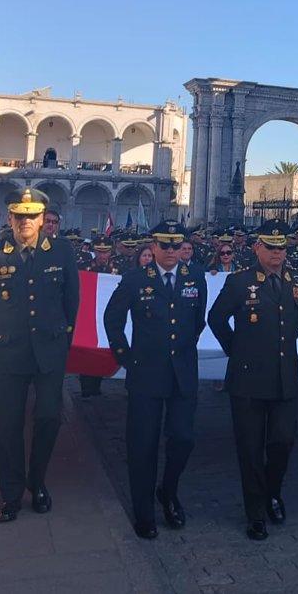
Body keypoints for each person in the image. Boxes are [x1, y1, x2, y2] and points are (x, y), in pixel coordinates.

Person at [0, 188, 80, 522]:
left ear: (42, 220)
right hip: (9, 350)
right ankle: (10, 493)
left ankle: (37, 482)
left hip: (49, 349)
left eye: (32, 216)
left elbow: (71, 302)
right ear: (10, 218)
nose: (25, 221)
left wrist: (63, 339)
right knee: (8, 424)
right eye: (19, 216)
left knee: (49, 417)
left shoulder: (61, 251)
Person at [207, 220, 298, 541]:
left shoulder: (297, 279)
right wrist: (237, 350)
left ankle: (273, 492)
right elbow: (216, 318)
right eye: (271, 247)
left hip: (284, 378)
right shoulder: (240, 282)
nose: (277, 253)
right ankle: (255, 512)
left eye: (282, 248)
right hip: (249, 379)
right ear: (257, 248)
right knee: (250, 449)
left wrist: (280, 345)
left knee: (283, 441)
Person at [104, 221, 207, 539]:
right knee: (143, 446)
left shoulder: (195, 277)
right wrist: (126, 356)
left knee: (183, 438)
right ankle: (144, 512)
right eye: (166, 246)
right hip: (146, 372)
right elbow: (113, 319)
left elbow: (197, 320)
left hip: (183, 373)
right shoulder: (136, 279)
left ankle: (169, 490)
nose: (172, 252)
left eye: (177, 246)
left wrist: (182, 350)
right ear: (154, 247)